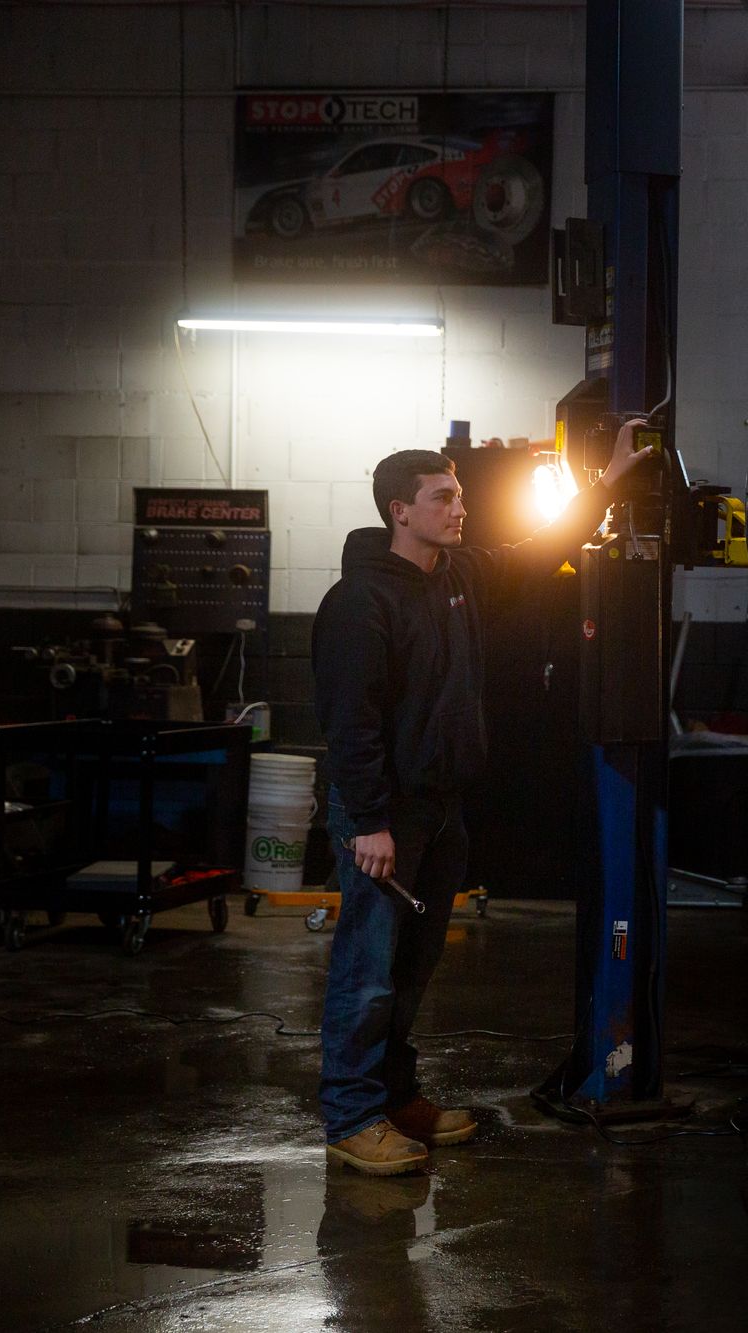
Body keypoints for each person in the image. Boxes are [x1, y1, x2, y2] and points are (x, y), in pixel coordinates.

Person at [312, 421, 654, 1174]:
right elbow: (351, 722)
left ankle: (395, 1098)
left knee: (412, 969)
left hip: (439, 809)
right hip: (386, 816)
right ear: (399, 510)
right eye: (442, 497)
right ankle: (350, 1117)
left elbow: (538, 554)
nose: (459, 507)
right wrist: (369, 821)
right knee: (366, 972)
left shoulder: (457, 578)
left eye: (460, 495)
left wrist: (608, 485)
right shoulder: (360, 602)